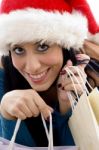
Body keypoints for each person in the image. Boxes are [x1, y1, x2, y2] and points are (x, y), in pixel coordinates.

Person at [0, 0, 98, 147]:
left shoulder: (92, 76)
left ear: (64, 46)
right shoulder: (4, 78)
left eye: (42, 46)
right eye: (19, 50)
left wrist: (68, 108)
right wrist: (8, 116)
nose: (32, 67)